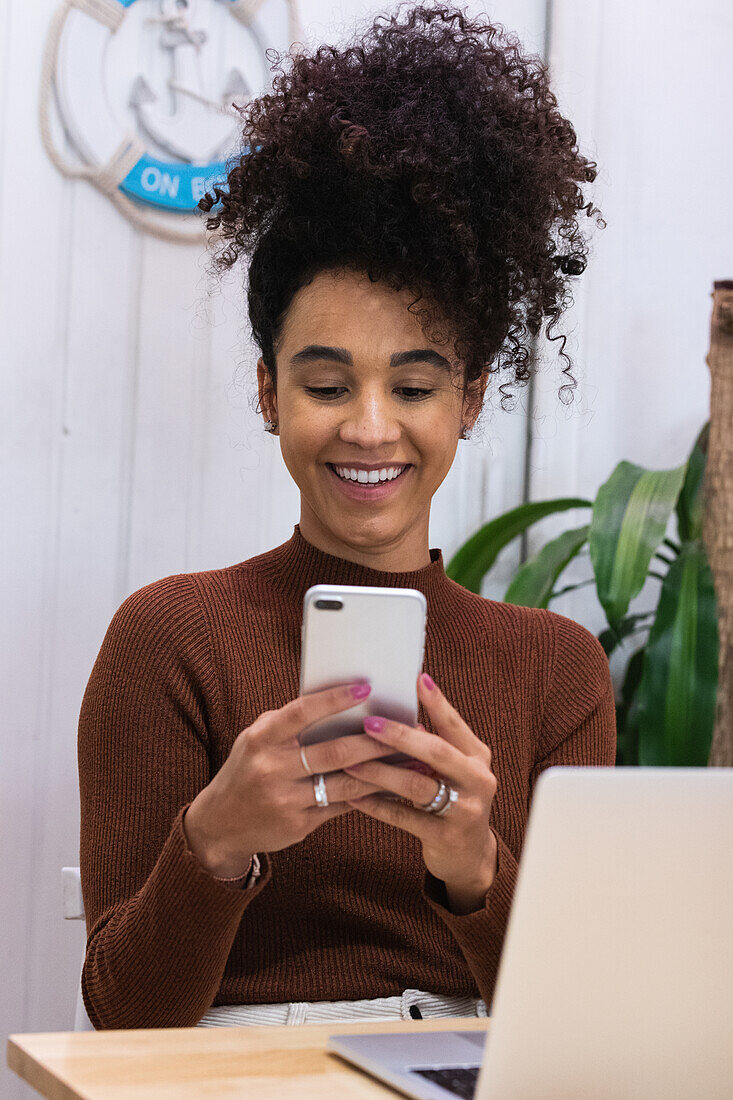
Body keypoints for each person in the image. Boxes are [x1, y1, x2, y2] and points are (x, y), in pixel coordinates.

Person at [77, 2, 614, 1030]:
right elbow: (123, 1023)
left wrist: (472, 868)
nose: (372, 429)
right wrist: (215, 840)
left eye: (413, 388)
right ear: (269, 391)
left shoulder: (556, 668)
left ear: (467, 397)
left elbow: (577, 1028)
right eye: (327, 384)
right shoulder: (168, 639)